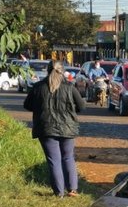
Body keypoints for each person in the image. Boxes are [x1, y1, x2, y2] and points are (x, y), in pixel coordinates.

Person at [24, 60, 86, 198]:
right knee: (68, 157)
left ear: (47, 70)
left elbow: (27, 105)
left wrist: (40, 108)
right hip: (68, 128)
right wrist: (70, 110)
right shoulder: (69, 87)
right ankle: (73, 189)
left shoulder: (38, 87)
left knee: (54, 160)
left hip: (46, 128)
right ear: (62, 71)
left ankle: (59, 193)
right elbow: (81, 106)